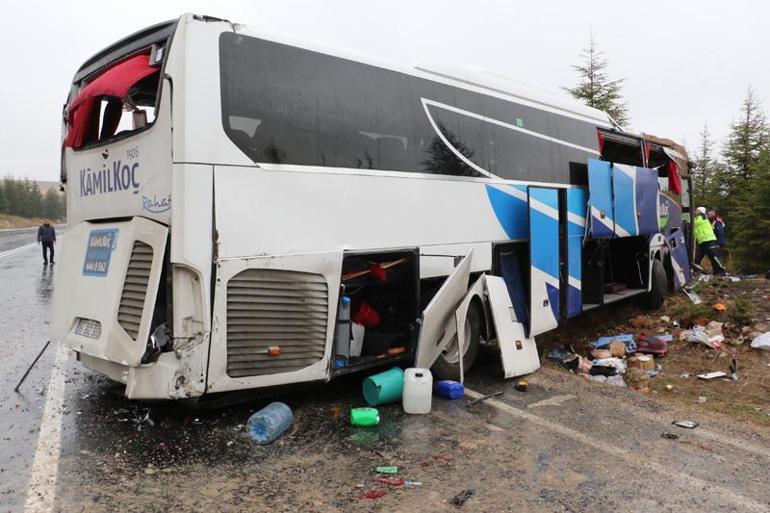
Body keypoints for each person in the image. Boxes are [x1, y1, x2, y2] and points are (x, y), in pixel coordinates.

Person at [693, 207, 725, 275]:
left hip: (709, 240)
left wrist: (720, 243)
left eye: (696, 210)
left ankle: (721, 272)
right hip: (703, 241)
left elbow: (694, 223)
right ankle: (695, 270)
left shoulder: (701, 217)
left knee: (714, 257)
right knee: (698, 257)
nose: (695, 211)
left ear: (700, 211)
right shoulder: (701, 218)